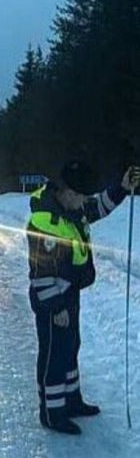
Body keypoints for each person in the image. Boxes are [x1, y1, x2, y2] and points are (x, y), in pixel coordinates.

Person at [27, 160, 140, 435]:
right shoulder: (45, 222)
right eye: (80, 197)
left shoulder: (72, 209)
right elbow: (40, 274)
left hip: (69, 292)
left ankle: (72, 401)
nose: (84, 203)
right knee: (54, 354)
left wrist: (123, 188)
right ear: (65, 192)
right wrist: (56, 307)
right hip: (52, 298)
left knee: (70, 347)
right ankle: (52, 413)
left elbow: (98, 206)